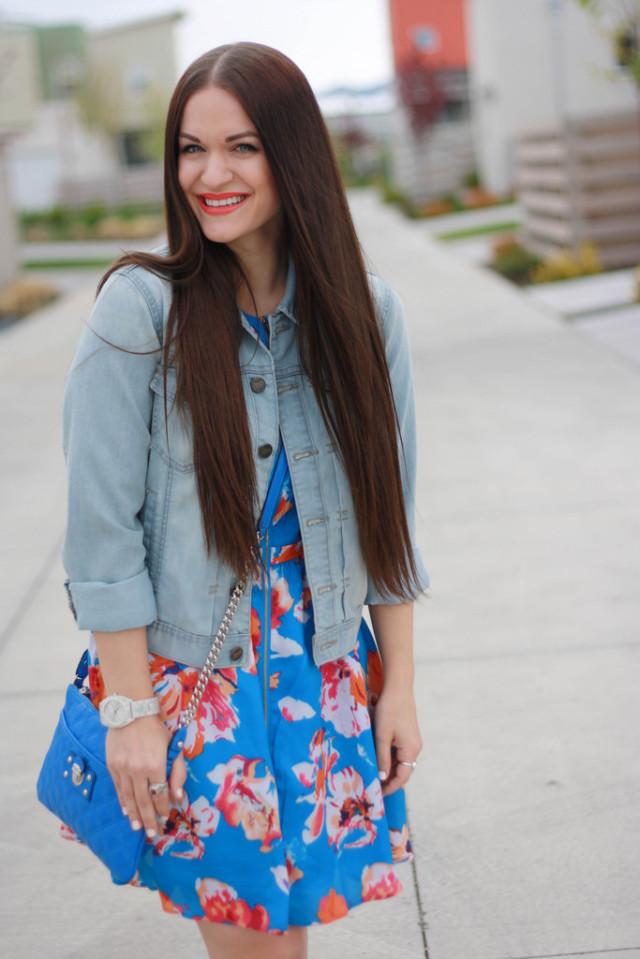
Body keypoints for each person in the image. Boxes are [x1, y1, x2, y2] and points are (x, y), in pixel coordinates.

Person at [61, 42, 429, 959]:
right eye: (190, 148)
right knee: (260, 947)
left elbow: (391, 523)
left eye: (242, 147)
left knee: (284, 940)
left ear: (293, 155)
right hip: (198, 689)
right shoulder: (140, 313)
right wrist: (130, 708)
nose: (209, 174)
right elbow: (102, 537)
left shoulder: (365, 315)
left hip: (325, 680)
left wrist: (402, 688)